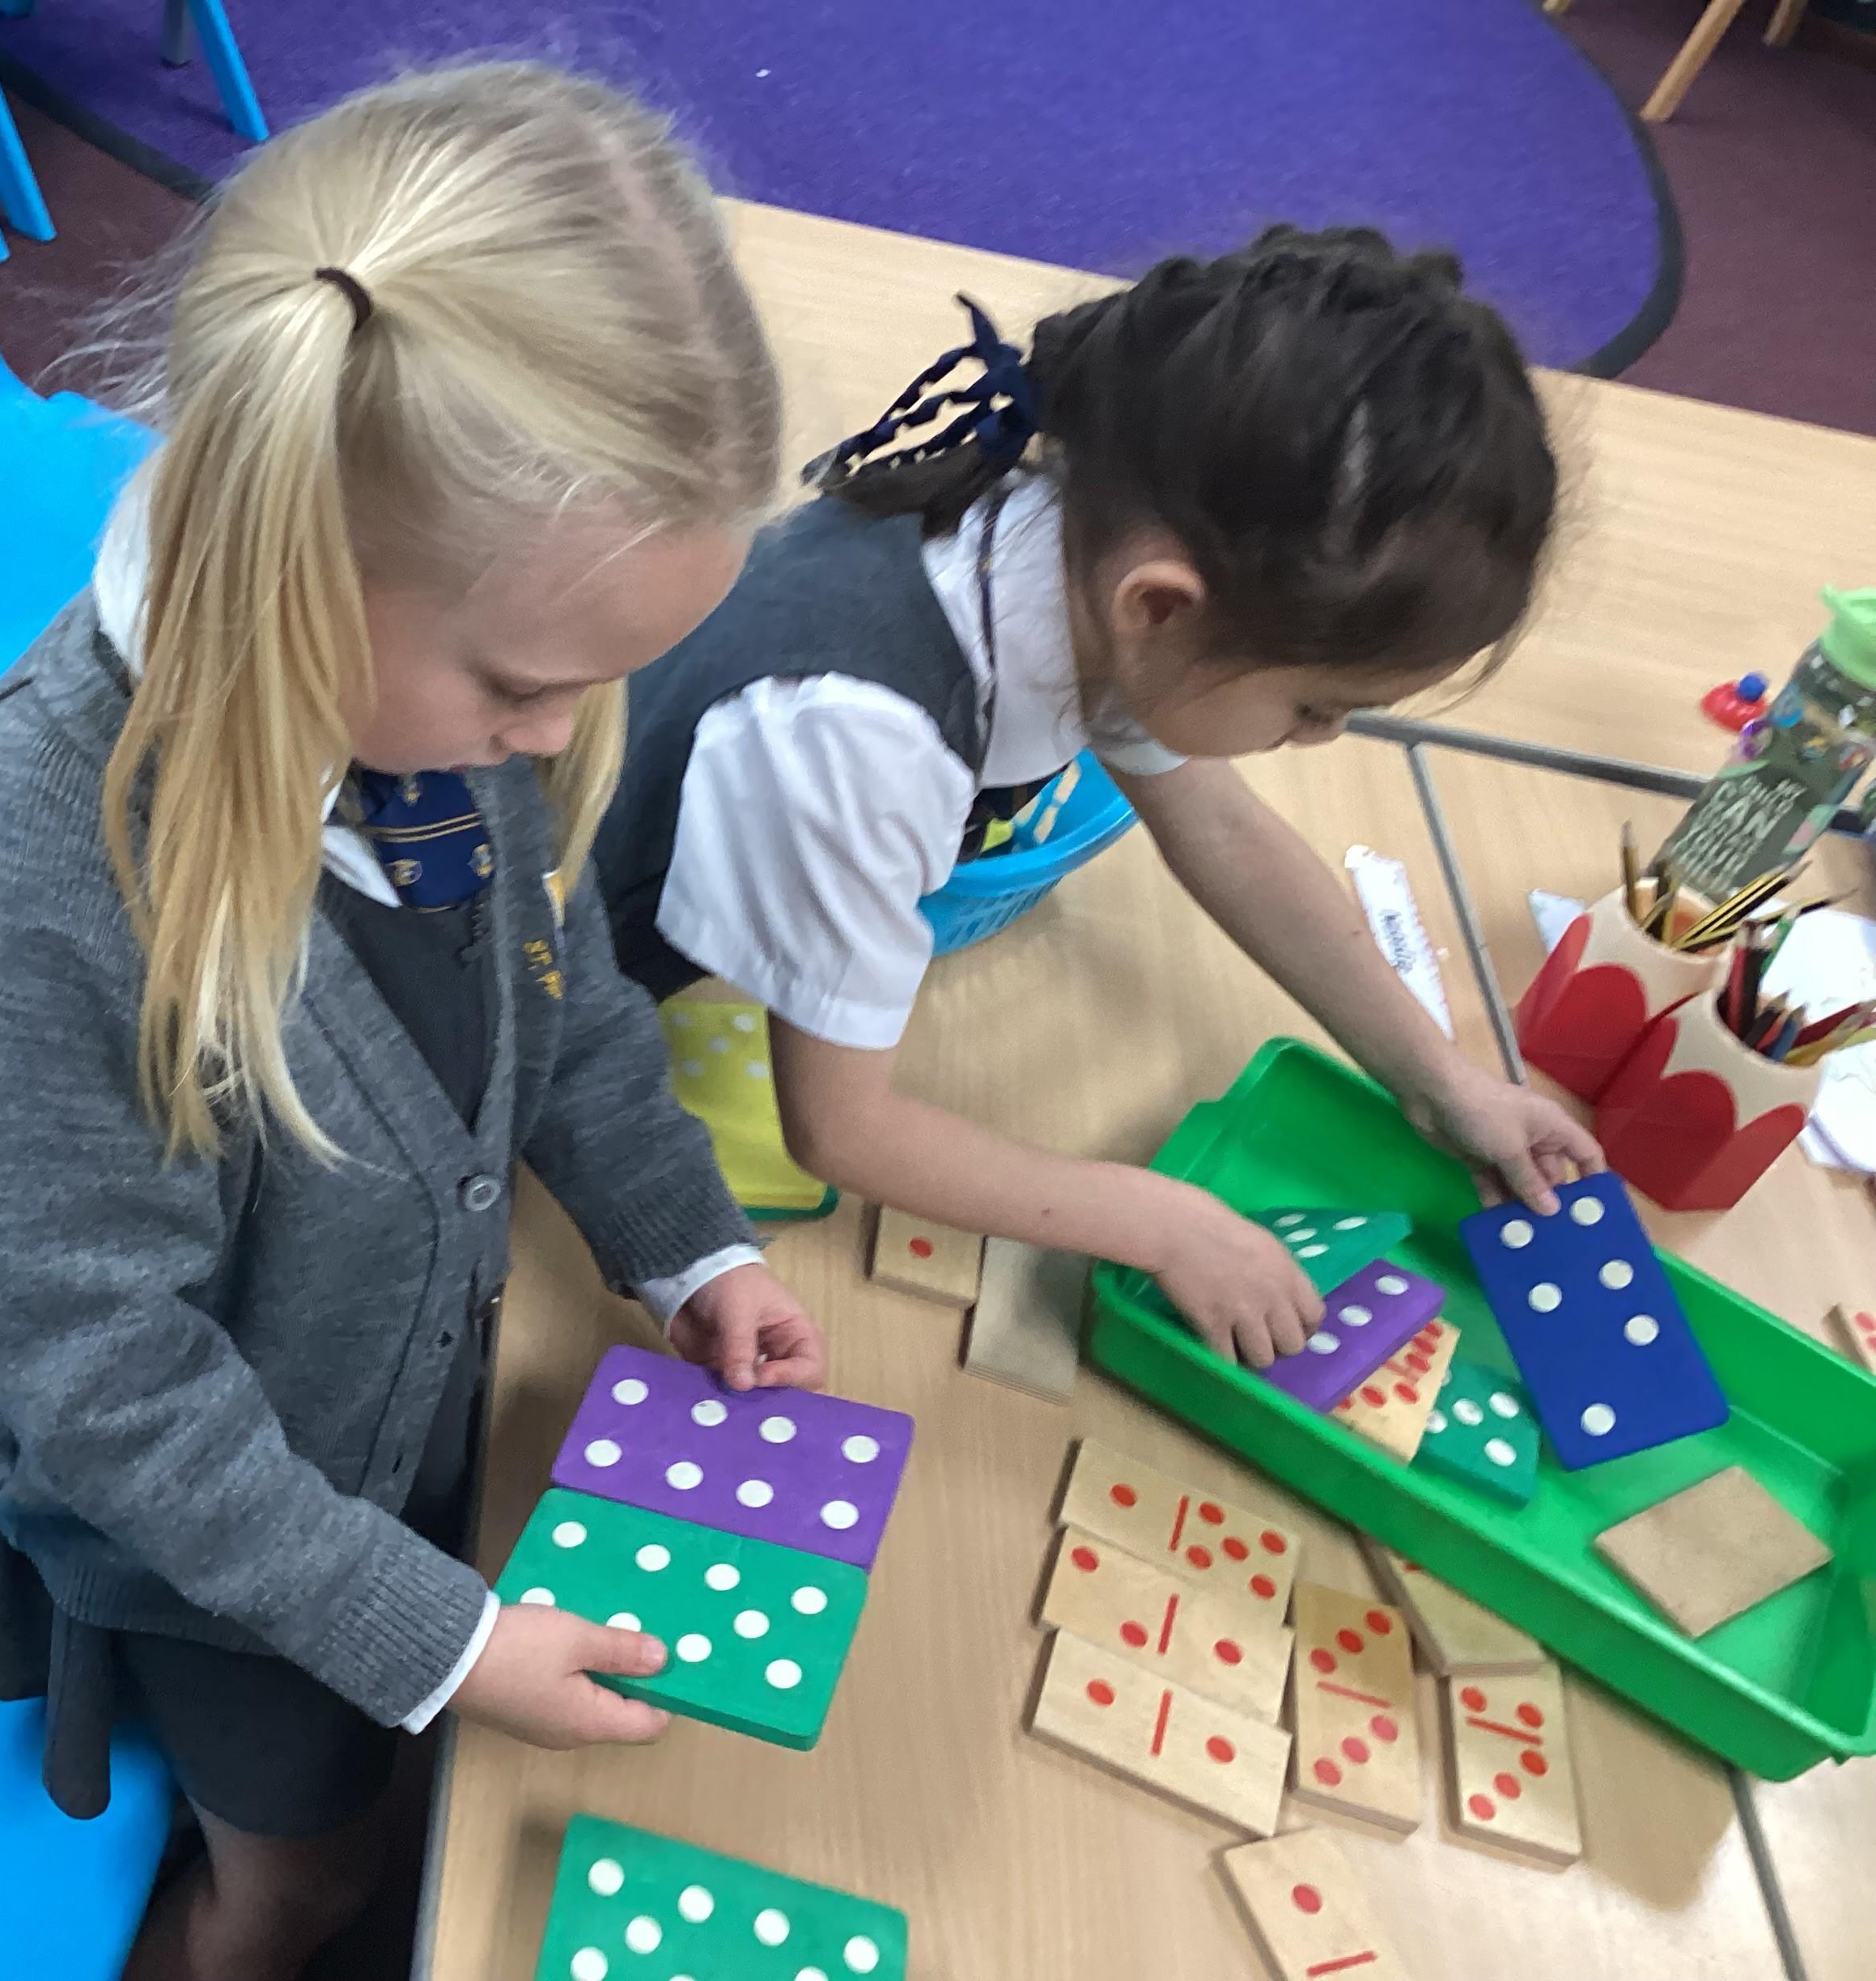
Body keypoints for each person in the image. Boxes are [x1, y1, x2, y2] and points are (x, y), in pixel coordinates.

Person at [0, 62, 821, 1981]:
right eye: (530, 686)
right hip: (200, 1544)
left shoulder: (436, 707)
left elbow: (560, 990)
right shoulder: (22, 889)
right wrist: (440, 1641)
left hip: (377, 1408)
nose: (559, 741)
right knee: (313, 1881)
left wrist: (683, 1236)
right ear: (296, 558)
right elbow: (115, 1395)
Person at [596, 226, 1603, 1371]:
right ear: (1162, 607)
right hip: (547, 978)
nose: (1320, 742)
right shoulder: (861, 734)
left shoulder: (1082, 548)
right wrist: (1163, 1222)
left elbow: (1222, 830)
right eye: (1315, 707)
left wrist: (1444, 1081)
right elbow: (843, 1129)